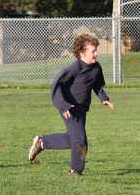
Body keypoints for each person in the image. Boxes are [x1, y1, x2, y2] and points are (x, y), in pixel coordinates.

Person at [28, 33, 114, 175]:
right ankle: (75, 170)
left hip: (81, 109)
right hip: (69, 107)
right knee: (80, 141)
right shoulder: (75, 68)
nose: (96, 54)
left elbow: (97, 85)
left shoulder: (96, 68)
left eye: (96, 50)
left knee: (73, 139)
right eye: (93, 51)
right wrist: (63, 105)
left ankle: (42, 142)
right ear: (81, 53)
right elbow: (57, 85)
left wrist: (104, 98)